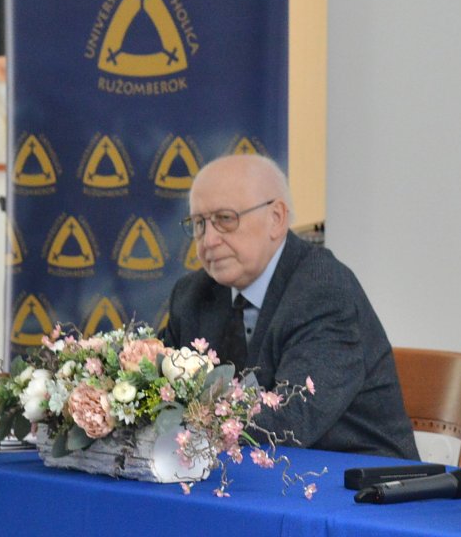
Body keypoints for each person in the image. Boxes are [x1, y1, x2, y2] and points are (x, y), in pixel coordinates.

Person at [161, 154, 418, 459]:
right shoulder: (192, 295)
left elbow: (290, 422)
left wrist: (182, 424)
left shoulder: (324, 290)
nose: (209, 240)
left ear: (276, 218)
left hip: (357, 477)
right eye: (199, 224)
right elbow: (155, 394)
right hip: (247, 474)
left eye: (225, 219)